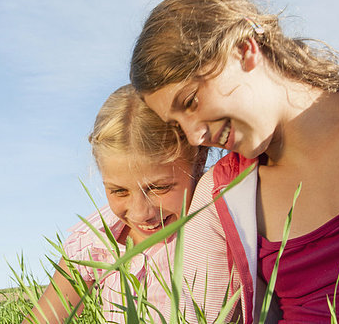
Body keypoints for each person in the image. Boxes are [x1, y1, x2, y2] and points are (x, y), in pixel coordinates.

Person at [130, 0, 339, 323]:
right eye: (177, 124)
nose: (196, 136)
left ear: (245, 50)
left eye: (190, 102)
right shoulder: (220, 193)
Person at [24, 84, 207, 323]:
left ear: (200, 160)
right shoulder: (93, 241)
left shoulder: (217, 220)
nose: (142, 214)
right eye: (119, 191)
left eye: (159, 188)